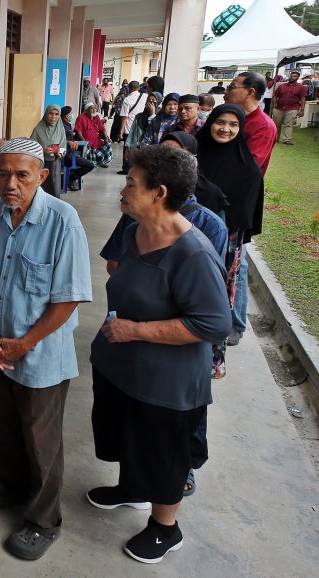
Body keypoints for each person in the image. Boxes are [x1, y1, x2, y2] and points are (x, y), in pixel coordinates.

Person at [88, 145, 231, 564]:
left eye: (131, 183)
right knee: (127, 435)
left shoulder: (194, 253)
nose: (124, 188)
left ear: (159, 193)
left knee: (162, 451)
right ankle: (131, 489)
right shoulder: (135, 231)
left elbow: (213, 324)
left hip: (165, 380)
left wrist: (136, 329)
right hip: (122, 366)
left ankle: (165, 528)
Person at [0, 138, 93, 561]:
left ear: (41, 177)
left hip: (39, 354)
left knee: (42, 441)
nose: (10, 183)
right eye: (3, 173)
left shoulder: (63, 221)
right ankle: (14, 487)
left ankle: (44, 521)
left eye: (22, 175)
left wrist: (26, 342)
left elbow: (69, 297)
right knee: (1, 428)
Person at [196, 104, 264, 379]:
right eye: (220, 122)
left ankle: (213, 358)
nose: (225, 129)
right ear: (210, 122)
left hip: (226, 246)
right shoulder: (194, 157)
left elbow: (245, 213)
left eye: (233, 125)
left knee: (217, 298)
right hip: (185, 237)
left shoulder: (248, 169)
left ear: (241, 130)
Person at [223, 72, 278, 346]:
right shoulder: (237, 119)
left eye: (234, 87)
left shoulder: (263, 126)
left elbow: (249, 167)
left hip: (241, 200)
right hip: (222, 197)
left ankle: (236, 323)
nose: (229, 90)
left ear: (252, 92)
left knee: (237, 263)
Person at [29, 105, 67, 196]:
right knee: (39, 188)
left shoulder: (61, 129)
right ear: (46, 114)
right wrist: (42, 149)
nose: (53, 117)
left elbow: (64, 149)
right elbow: (31, 147)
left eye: (56, 114)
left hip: (54, 164)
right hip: (40, 163)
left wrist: (57, 151)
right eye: (50, 113)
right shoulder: (38, 129)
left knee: (53, 188)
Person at [60, 106, 94, 190]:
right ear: (66, 116)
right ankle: (67, 180)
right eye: (70, 114)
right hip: (66, 155)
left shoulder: (67, 125)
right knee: (89, 165)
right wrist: (68, 142)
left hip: (71, 153)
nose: (72, 115)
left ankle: (68, 179)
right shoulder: (62, 126)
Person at [272, 69, 308, 145]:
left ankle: (286, 140)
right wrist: (274, 103)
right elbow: (275, 95)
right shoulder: (282, 86)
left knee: (288, 124)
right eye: (291, 76)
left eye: (294, 76)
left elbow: (303, 98)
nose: (292, 77)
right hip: (279, 107)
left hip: (292, 108)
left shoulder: (301, 87)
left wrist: (302, 110)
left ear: (298, 78)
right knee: (276, 124)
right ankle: (275, 138)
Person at [74, 102, 113, 167]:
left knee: (107, 144)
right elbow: (78, 131)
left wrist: (106, 138)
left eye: (95, 108)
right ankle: (92, 164)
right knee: (89, 148)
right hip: (87, 141)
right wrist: (83, 141)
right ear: (86, 110)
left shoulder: (97, 117)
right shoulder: (81, 118)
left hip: (96, 140)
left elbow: (102, 129)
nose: (94, 110)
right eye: (92, 109)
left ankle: (102, 162)